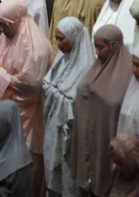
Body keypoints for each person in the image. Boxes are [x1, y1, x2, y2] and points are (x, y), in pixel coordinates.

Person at [0, 0, 52, 195]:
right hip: (8, 110)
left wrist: (2, 75)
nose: (1, 29)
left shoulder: (35, 45)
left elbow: (30, 85)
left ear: (15, 21)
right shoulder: (7, 37)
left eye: (4, 24)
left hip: (29, 113)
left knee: (29, 162)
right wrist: (3, 74)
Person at [72, 25, 132, 196]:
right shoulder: (96, 68)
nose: (97, 52)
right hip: (90, 140)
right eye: (95, 47)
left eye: (101, 47)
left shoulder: (127, 74)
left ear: (113, 46)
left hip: (109, 141)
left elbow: (115, 102)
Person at [43, 16, 95, 197]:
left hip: (71, 135)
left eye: (61, 39)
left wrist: (54, 92)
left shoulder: (86, 67)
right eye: (56, 38)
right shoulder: (61, 58)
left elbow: (76, 101)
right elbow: (48, 82)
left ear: (73, 38)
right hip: (53, 128)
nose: (57, 43)